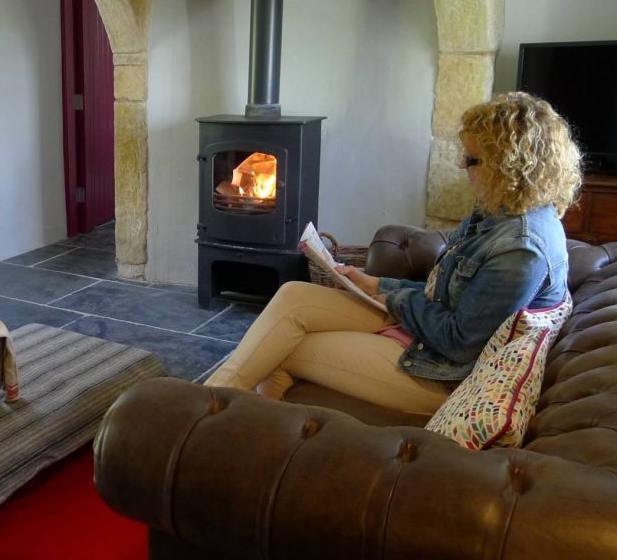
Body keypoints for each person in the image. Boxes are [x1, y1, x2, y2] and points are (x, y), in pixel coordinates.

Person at [205, 92, 583, 415]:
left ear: (508, 166)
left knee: (283, 349)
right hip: (426, 332)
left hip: (441, 373)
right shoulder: (499, 212)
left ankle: (206, 415)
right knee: (293, 295)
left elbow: (457, 340)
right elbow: (446, 296)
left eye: (471, 160)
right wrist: (375, 284)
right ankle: (208, 411)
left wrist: (393, 297)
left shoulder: (521, 248)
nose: (461, 167)